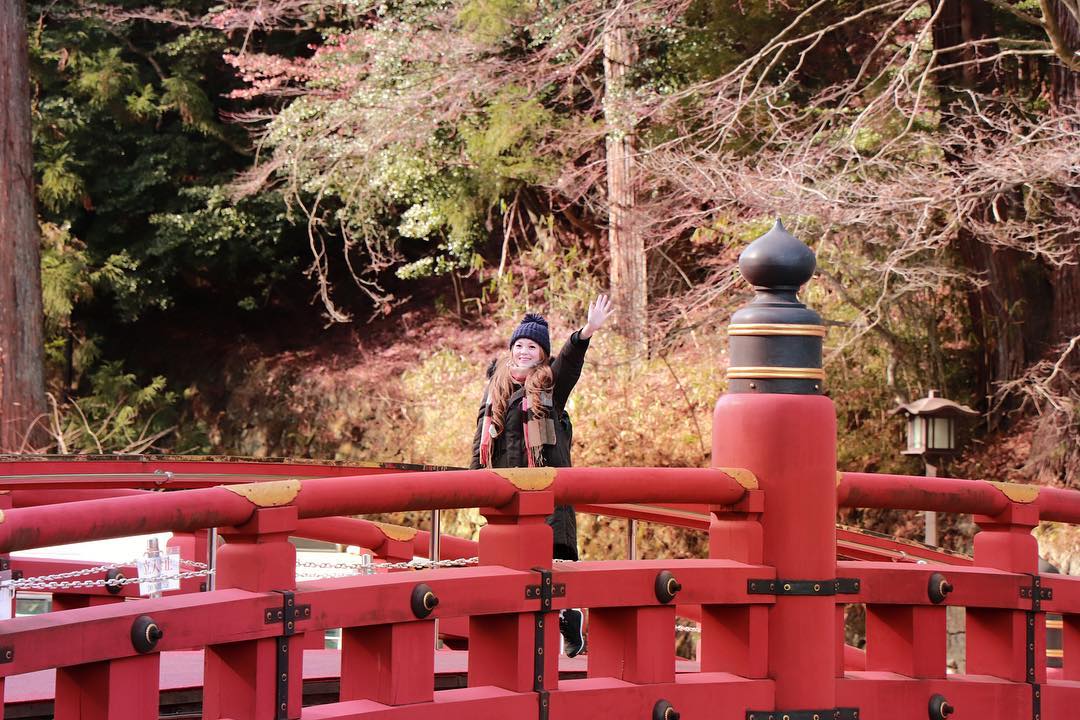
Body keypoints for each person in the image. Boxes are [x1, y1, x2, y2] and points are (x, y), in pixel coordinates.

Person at [469, 294, 615, 656]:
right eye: (518, 345)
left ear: (542, 353)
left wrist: (587, 332)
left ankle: (568, 621)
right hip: (506, 489)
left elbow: (569, 361)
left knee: (551, 561)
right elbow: (480, 435)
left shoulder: (550, 384)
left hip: (546, 490)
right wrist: (472, 480)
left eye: (531, 346)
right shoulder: (496, 386)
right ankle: (521, 642)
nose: (523, 351)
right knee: (512, 564)